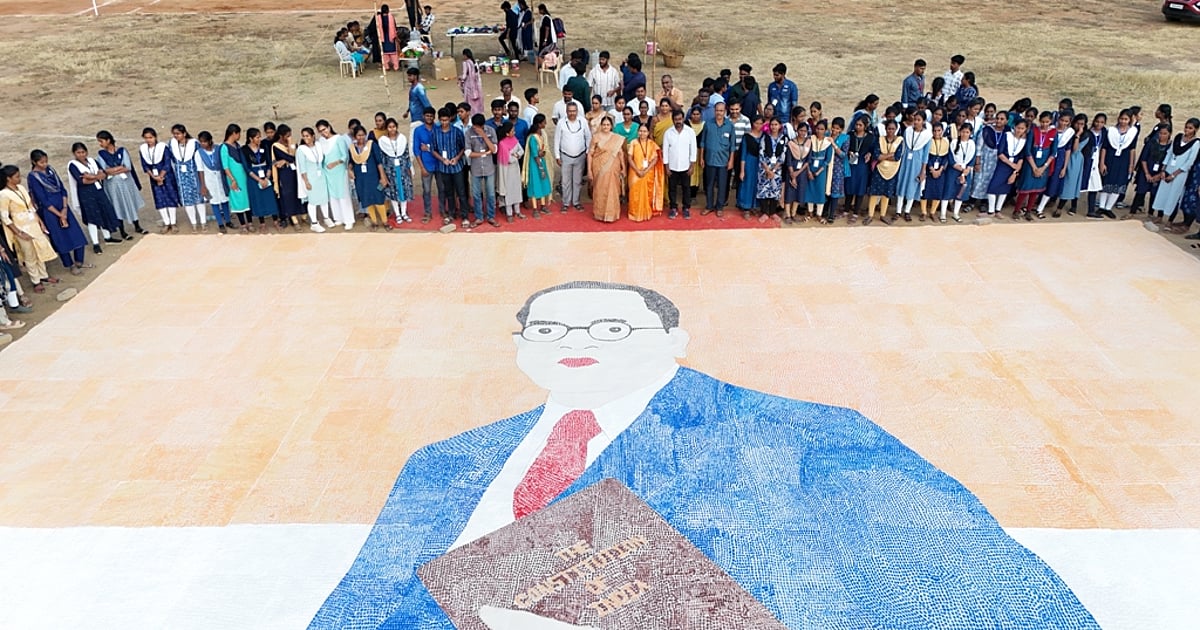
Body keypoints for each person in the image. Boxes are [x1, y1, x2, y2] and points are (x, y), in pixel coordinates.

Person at [311, 280, 1101, 630]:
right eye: (548, 330)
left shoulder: (804, 434)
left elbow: (976, 580)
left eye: (611, 328)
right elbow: (361, 604)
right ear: (521, 348)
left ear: (675, 341)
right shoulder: (442, 462)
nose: (576, 343)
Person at [27, 150, 88, 274]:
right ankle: (70, 264)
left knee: (76, 234)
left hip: (63, 206)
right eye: (41, 162)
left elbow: (62, 189)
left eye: (46, 161)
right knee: (60, 238)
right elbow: (42, 199)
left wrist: (64, 209)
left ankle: (79, 260)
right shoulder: (33, 177)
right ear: (34, 162)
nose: (45, 164)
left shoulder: (51, 170)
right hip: (50, 211)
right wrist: (59, 215)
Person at [0, 165, 59, 294]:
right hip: (21, 226)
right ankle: (36, 280)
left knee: (40, 250)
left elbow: (31, 207)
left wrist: (41, 222)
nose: (19, 178)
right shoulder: (3, 194)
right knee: (29, 255)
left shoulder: (21, 188)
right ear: (8, 179)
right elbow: (4, 217)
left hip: (33, 224)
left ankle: (43, 275)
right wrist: (18, 232)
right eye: (16, 176)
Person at [67, 142, 125, 251]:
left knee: (104, 211)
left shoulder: (92, 161)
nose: (81, 155)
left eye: (83, 152)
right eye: (78, 152)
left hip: (98, 190)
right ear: (74, 153)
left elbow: (103, 174)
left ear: (86, 152)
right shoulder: (73, 165)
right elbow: (82, 181)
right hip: (86, 193)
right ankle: (95, 243)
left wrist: (91, 176)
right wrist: (96, 177)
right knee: (92, 217)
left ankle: (107, 236)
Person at [94, 131, 146, 235]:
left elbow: (128, 167)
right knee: (116, 205)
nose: (100, 144)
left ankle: (137, 225)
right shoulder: (101, 155)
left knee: (129, 202)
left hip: (126, 183)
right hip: (112, 185)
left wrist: (112, 170)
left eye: (101, 141)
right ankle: (122, 230)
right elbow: (104, 170)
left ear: (108, 140)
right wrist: (119, 168)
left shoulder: (122, 151)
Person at [1154, 119, 1199, 226]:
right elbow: (1169, 153)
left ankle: (1170, 220)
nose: (1187, 130)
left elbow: (1189, 161)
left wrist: (1174, 174)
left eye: (1190, 128)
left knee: (1174, 195)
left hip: (1180, 174)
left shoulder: (1196, 143)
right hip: (1169, 169)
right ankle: (1159, 216)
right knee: (1163, 193)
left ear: (1195, 129)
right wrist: (1163, 170)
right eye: (1186, 127)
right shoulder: (1178, 137)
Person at [1013, 111, 1057, 220]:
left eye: (1047, 122)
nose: (1044, 124)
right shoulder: (1034, 131)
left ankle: (1028, 211)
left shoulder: (1053, 133)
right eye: (1042, 121)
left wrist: (1043, 168)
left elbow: (1053, 152)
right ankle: (1016, 210)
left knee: (1036, 190)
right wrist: (1034, 167)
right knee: (1025, 188)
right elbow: (1028, 150)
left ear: (1051, 121)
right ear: (1039, 120)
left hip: (1043, 165)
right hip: (1030, 164)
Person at [1096, 109, 1138, 219]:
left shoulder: (1133, 132)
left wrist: (1131, 165)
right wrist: (1102, 162)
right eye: (1121, 119)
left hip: (1123, 161)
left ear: (1129, 120)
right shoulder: (1111, 131)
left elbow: (1132, 149)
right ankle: (1101, 206)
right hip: (1110, 160)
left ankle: (1108, 208)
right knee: (1106, 182)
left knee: (1118, 184)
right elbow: (1104, 148)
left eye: (1126, 119)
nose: (1123, 121)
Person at [432, 107, 469, 227]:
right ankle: (452, 214)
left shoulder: (456, 131)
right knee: (449, 192)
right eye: (442, 120)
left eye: (446, 120)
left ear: (450, 119)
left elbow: (463, 147)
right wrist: (442, 159)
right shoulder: (435, 132)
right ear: (439, 120)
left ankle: (465, 216)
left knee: (461, 192)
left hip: (457, 167)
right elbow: (433, 150)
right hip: (444, 168)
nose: (444, 123)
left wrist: (457, 158)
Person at [139, 127, 181, 233]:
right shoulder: (143, 149)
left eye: (150, 137)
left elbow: (167, 162)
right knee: (160, 199)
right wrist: (154, 177)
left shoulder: (162, 147)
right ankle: (166, 222)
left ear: (155, 137)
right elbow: (145, 165)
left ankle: (173, 222)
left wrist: (161, 176)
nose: (148, 140)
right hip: (154, 177)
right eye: (146, 138)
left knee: (170, 197)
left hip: (167, 176)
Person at [348, 126, 390, 230]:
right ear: (355, 137)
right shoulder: (352, 149)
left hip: (373, 177)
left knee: (378, 199)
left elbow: (379, 162)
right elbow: (351, 162)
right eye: (359, 135)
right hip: (361, 178)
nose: (361, 137)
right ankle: (374, 222)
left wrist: (382, 176)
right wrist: (349, 170)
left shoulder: (372, 145)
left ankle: (385, 222)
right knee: (367, 200)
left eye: (363, 135)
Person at [1036, 112, 1077, 218]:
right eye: (1062, 120)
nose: (1063, 123)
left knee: (1052, 183)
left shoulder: (1069, 133)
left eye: (1066, 121)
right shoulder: (1051, 129)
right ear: (1058, 119)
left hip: (1059, 160)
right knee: (1041, 180)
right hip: (1047, 157)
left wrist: (1064, 166)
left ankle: (1040, 208)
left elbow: (1068, 150)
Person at [166, 124, 205, 232]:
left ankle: (203, 222)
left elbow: (200, 158)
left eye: (178, 133)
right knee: (187, 200)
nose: (176, 136)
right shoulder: (172, 144)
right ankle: (193, 223)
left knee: (198, 199)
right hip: (181, 177)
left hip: (194, 175)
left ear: (184, 133)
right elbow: (172, 159)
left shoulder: (194, 143)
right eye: (174, 134)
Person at [317, 120, 355, 230]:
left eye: (324, 129)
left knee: (343, 195)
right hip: (328, 172)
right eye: (320, 131)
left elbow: (344, 156)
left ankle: (348, 219)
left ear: (329, 127)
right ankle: (338, 218)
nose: (323, 132)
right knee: (332, 196)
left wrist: (335, 163)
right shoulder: (321, 141)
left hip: (339, 171)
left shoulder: (339, 139)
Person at [986, 119, 1029, 216]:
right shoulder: (1007, 135)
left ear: (1025, 129)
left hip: (1013, 168)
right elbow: (1000, 153)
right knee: (992, 187)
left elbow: (1021, 158)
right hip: (1003, 164)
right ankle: (991, 210)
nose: (1019, 130)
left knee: (1005, 188)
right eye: (1018, 128)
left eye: (1022, 128)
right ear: (1014, 127)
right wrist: (1011, 164)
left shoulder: (1023, 141)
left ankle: (998, 210)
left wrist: (1015, 171)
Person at [554, 102, 591, 213]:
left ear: (577, 111)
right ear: (566, 111)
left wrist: (587, 151)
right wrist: (557, 156)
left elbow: (588, 137)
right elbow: (557, 139)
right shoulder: (561, 123)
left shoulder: (583, 121)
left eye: (574, 111)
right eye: (570, 111)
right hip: (565, 156)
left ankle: (576, 202)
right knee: (566, 181)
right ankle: (566, 203)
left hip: (580, 155)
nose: (572, 113)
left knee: (577, 180)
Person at [587, 115, 625, 223]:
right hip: (598, 168)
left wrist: (623, 167)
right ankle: (600, 214)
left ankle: (612, 214)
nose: (606, 127)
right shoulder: (596, 137)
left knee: (613, 190)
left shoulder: (616, 138)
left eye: (608, 125)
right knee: (600, 190)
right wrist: (589, 170)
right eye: (604, 124)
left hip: (613, 167)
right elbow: (590, 154)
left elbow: (620, 153)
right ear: (601, 125)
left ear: (611, 126)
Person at [242, 128, 279, 234]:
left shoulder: (264, 146)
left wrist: (267, 178)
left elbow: (269, 162)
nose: (259, 139)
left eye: (259, 137)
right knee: (259, 199)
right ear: (251, 139)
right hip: (254, 177)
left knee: (270, 198)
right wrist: (259, 180)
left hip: (265, 174)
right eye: (257, 137)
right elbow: (246, 167)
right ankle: (262, 223)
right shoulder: (244, 149)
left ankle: (275, 221)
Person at [378, 117, 415, 225]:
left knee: (404, 190)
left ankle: (404, 213)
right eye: (389, 127)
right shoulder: (383, 141)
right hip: (390, 170)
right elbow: (382, 158)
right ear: (386, 128)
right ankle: (397, 214)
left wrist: (409, 167)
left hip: (402, 168)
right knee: (393, 192)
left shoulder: (402, 138)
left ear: (396, 127)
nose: (392, 129)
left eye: (393, 126)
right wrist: (384, 173)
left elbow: (407, 154)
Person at [700, 102, 735, 218]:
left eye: (721, 111)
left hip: (723, 161)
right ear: (714, 111)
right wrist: (701, 157)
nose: (719, 113)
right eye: (717, 110)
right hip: (710, 160)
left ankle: (719, 207)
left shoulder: (729, 125)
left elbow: (732, 146)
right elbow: (703, 142)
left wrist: (731, 161)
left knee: (722, 185)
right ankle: (709, 206)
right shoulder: (708, 124)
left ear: (725, 111)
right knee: (709, 184)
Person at [865, 120, 903, 226]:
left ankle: (883, 215)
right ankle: (870, 215)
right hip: (879, 169)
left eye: (893, 129)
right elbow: (876, 155)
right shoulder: (880, 140)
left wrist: (883, 156)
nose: (891, 131)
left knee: (886, 193)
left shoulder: (900, 141)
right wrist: (889, 154)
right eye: (889, 128)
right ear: (885, 129)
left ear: (896, 130)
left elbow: (897, 157)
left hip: (892, 170)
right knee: (874, 192)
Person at [895, 112, 931, 221]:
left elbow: (925, 155)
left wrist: (923, 171)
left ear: (923, 121)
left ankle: (907, 211)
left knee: (912, 186)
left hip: (917, 163)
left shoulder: (927, 136)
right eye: (915, 119)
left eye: (919, 120)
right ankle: (898, 211)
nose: (916, 122)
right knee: (902, 183)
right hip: (905, 161)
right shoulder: (908, 131)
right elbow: (903, 146)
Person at [662, 109, 697, 220]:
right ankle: (673, 208)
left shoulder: (690, 132)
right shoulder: (668, 133)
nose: (678, 121)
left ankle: (686, 208)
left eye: (680, 119)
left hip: (686, 166)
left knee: (686, 188)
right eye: (676, 119)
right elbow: (665, 151)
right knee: (672, 188)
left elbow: (693, 149)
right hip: (672, 166)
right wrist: (666, 167)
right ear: (673, 120)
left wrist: (692, 166)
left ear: (683, 119)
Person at [1130, 124, 1171, 216]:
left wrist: (1159, 175)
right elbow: (1143, 159)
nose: (1162, 135)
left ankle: (1151, 214)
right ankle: (1132, 211)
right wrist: (1147, 173)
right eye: (1160, 133)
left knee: (1155, 193)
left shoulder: (1170, 147)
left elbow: (1169, 162)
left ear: (1169, 134)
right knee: (1140, 191)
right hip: (1147, 170)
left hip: (1160, 173)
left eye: (1165, 133)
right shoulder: (1151, 143)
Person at [466, 113, 498, 228]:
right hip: (476, 168)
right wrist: (483, 154)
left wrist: (484, 136)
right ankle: (479, 217)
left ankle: (491, 216)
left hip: (489, 168)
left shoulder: (491, 131)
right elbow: (468, 153)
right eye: (475, 127)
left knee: (491, 194)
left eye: (478, 127)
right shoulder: (469, 133)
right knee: (476, 194)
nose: (476, 129)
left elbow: (494, 150)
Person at [196, 131, 232, 234]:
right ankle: (220, 224)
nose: (203, 144)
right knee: (214, 201)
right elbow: (200, 170)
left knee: (225, 200)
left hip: (220, 177)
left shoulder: (218, 149)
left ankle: (228, 221)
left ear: (210, 141)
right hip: (209, 179)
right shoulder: (199, 153)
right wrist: (203, 185)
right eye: (201, 142)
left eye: (205, 141)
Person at [268, 125, 303, 231]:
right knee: (288, 195)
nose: (289, 137)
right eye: (287, 136)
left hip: (294, 172)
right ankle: (292, 218)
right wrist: (288, 158)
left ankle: (299, 214)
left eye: (290, 135)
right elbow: (290, 157)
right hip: (284, 174)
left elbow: (297, 157)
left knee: (296, 193)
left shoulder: (292, 144)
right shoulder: (276, 146)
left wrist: (286, 160)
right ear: (281, 136)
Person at [220, 124, 253, 232]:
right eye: (238, 134)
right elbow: (225, 166)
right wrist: (232, 180)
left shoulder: (237, 145)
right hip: (234, 178)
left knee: (246, 199)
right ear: (234, 133)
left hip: (243, 177)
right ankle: (243, 224)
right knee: (237, 200)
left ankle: (250, 222)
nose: (239, 136)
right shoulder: (224, 147)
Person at [627, 122, 663, 222]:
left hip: (648, 172)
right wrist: (637, 170)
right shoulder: (633, 142)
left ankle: (646, 213)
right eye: (640, 131)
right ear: (638, 132)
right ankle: (634, 214)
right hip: (634, 173)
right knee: (634, 193)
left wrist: (645, 171)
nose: (642, 133)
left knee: (648, 193)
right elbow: (630, 158)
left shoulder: (652, 144)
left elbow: (655, 159)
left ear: (648, 133)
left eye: (644, 131)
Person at [297, 127, 330, 232]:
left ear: (313, 136)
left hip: (321, 177)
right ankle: (314, 223)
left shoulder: (318, 146)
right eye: (304, 136)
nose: (305, 138)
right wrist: (306, 181)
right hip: (310, 178)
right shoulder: (301, 149)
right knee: (312, 201)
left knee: (324, 198)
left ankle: (326, 218)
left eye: (307, 136)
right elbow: (302, 168)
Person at [843, 116, 875, 222]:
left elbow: (873, 149)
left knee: (860, 188)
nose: (857, 127)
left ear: (865, 126)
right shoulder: (850, 135)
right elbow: (845, 147)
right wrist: (849, 152)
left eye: (860, 125)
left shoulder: (870, 137)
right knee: (849, 186)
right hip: (851, 163)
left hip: (862, 164)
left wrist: (870, 154)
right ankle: (846, 210)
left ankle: (856, 213)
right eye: (856, 124)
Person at [412, 107, 440, 223]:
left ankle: (443, 210)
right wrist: (422, 168)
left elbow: (440, 146)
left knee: (442, 189)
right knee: (427, 190)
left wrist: (427, 148)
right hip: (426, 165)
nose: (429, 118)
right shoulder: (418, 130)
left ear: (434, 117)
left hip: (439, 164)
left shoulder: (438, 128)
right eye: (427, 116)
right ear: (423, 116)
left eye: (431, 116)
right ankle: (428, 212)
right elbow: (416, 150)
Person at [920, 123, 952, 222]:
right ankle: (924, 212)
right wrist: (932, 169)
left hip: (940, 171)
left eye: (939, 130)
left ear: (942, 131)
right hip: (929, 170)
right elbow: (926, 156)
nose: (937, 133)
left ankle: (933, 212)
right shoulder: (928, 141)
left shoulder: (946, 142)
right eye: (934, 131)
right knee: (925, 191)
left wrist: (940, 169)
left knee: (938, 191)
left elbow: (946, 157)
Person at [523, 113, 553, 217]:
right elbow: (535, 154)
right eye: (544, 122)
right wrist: (541, 168)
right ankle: (535, 208)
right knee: (535, 184)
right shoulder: (532, 138)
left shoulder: (541, 135)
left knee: (543, 183)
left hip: (541, 162)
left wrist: (542, 154)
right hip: (535, 165)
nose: (546, 124)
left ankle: (543, 206)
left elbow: (541, 151)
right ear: (539, 124)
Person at [947, 122, 977, 223]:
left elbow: (972, 158)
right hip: (954, 170)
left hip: (966, 172)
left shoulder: (972, 144)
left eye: (967, 132)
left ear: (970, 133)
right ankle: (943, 213)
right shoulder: (954, 142)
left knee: (961, 192)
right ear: (960, 132)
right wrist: (957, 167)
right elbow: (950, 157)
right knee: (949, 191)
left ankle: (956, 213)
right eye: (963, 132)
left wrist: (967, 169)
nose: (965, 134)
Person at [495, 122, 525, 222]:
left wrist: (515, 155)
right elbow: (509, 159)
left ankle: (517, 211)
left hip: (515, 169)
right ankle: (509, 213)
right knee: (508, 192)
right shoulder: (502, 144)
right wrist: (516, 156)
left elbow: (521, 151)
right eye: (512, 131)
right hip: (507, 172)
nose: (514, 132)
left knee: (517, 190)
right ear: (507, 133)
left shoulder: (514, 140)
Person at [736, 115, 764, 219]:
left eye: (761, 123)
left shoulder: (764, 136)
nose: (758, 125)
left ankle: (754, 206)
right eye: (756, 123)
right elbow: (743, 154)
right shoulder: (747, 137)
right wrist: (742, 170)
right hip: (749, 162)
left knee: (757, 184)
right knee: (747, 184)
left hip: (761, 163)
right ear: (752, 123)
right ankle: (746, 207)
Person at [806, 121, 833, 222]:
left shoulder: (828, 142)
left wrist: (818, 172)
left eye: (822, 129)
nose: (819, 131)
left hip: (821, 170)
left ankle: (819, 214)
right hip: (810, 167)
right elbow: (806, 156)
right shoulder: (810, 139)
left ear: (825, 130)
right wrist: (809, 171)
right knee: (810, 189)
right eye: (817, 128)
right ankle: (810, 212)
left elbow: (827, 160)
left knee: (820, 190)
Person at [783, 123, 810, 224]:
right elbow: (788, 160)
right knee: (789, 193)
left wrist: (799, 172)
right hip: (791, 171)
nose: (802, 133)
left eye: (804, 131)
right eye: (801, 130)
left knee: (799, 192)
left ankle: (793, 213)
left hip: (802, 172)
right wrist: (792, 175)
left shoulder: (808, 143)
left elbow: (808, 160)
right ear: (797, 131)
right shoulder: (791, 143)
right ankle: (788, 215)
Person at [371, 4, 401, 70]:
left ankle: (386, 66)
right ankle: (396, 67)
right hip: (391, 38)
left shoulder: (378, 18)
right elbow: (394, 28)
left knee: (385, 54)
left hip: (383, 38)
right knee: (393, 53)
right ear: (388, 10)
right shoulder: (391, 17)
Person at [457, 49, 485, 119]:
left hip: (469, 86)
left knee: (469, 102)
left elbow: (464, 76)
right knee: (476, 102)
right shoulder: (474, 62)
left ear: (465, 55)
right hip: (476, 86)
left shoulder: (465, 63)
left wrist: (460, 78)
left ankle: (470, 115)